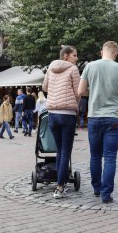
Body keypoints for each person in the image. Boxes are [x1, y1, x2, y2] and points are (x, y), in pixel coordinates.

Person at [78, 41, 118, 204]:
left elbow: (81, 91)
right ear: (116, 53)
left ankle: (96, 188)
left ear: (101, 51)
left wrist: (94, 90)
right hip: (113, 118)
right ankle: (105, 194)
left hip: (95, 117)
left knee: (95, 155)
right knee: (110, 157)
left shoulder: (90, 67)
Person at [42, 45, 80, 199]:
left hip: (52, 114)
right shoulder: (73, 69)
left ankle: (60, 183)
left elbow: (44, 87)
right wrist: (75, 105)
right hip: (67, 113)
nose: (77, 58)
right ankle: (59, 186)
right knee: (65, 151)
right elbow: (79, 91)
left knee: (59, 150)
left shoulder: (51, 68)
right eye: (75, 55)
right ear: (66, 56)